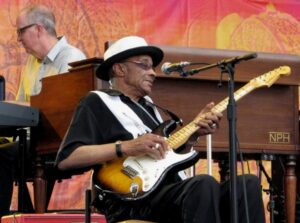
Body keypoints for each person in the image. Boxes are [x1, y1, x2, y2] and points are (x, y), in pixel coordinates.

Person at [55, 36, 265, 223]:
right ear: (120, 69)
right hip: (131, 199)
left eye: (153, 67)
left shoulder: (149, 107)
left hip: (167, 192)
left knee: (247, 185)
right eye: (144, 66)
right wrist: (126, 147)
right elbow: (67, 159)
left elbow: (165, 154)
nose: (152, 73)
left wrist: (192, 135)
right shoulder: (96, 102)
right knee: (203, 184)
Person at [0, 4, 86, 219]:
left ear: (38, 29)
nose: (18, 39)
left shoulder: (71, 58)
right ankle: (24, 214)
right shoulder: (31, 62)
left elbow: (61, 112)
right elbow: (22, 105)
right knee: (4, 147)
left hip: (58, 139)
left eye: (20, 31)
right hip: (33, 136)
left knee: (3, 154)